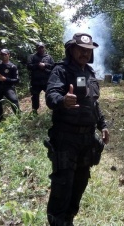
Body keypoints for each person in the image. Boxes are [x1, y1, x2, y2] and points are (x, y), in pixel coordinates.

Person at [45, 33, 110, 226]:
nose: (84, 53)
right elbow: (51, 96)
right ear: (72, 49)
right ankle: (57, 221)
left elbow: (94, 104)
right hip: (66, 137)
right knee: (62, 185)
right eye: (81, 49)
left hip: (87, 139)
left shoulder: (89, 73)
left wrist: (103, 125)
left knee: (80, 183)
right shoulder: (61, 71)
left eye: (88, 51)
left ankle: (69, 220)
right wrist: (63, 100)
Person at [0, 48, 20, 122]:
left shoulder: (13, 66)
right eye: (2, 55)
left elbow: (16, 80)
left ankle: (19, 117)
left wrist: (5, 79)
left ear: (8, 55)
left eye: (5, 54)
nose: (3, 56)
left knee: (14, 101)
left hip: (8, 87)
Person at [27, 42, 55, 115]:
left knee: (50, 95)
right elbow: (29, 66)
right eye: (39, 47)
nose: (41, 49)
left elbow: (53, 66)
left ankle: (53, 110)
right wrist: (38, 65)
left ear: (44, 47)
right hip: (36, 81)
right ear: (37, 48)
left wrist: (45, 65)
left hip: (46, 81)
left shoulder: (48, 57)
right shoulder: (32, 57)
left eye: (42, 47)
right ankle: (34, 111)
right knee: (35, 97)